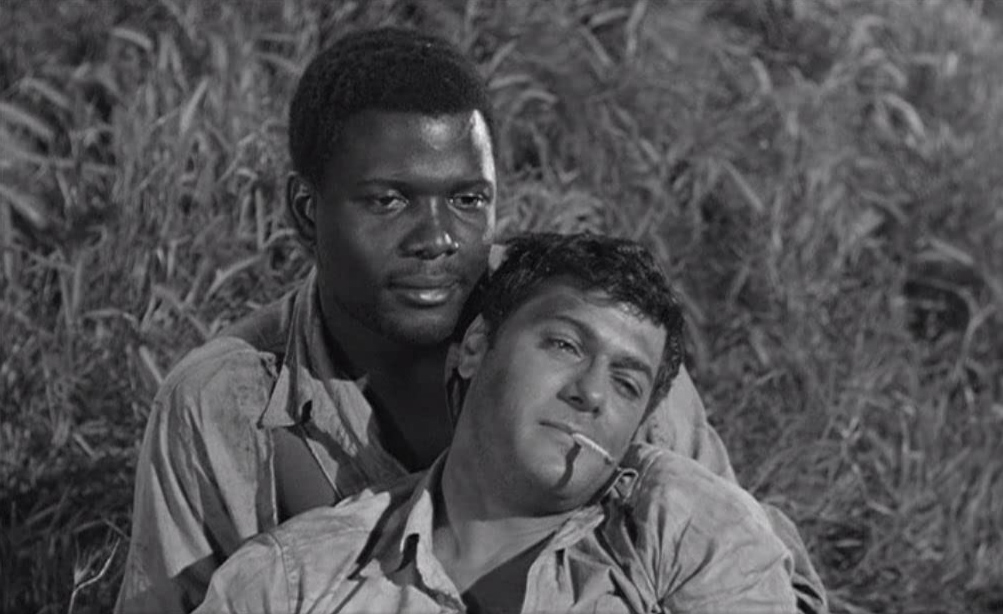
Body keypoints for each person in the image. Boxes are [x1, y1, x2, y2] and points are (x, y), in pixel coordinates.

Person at [115, 27, 826, 614]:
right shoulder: (226, 405)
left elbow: (747, 567)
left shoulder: (589, 335)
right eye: (389, 201)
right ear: (307, 211)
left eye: (467, 200)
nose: (437, 240)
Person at [194, 232, 797, 614]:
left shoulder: (679, 528)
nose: (590, 392)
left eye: (626, 383)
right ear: (476, 346)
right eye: (564, 345)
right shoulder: (294, 581)